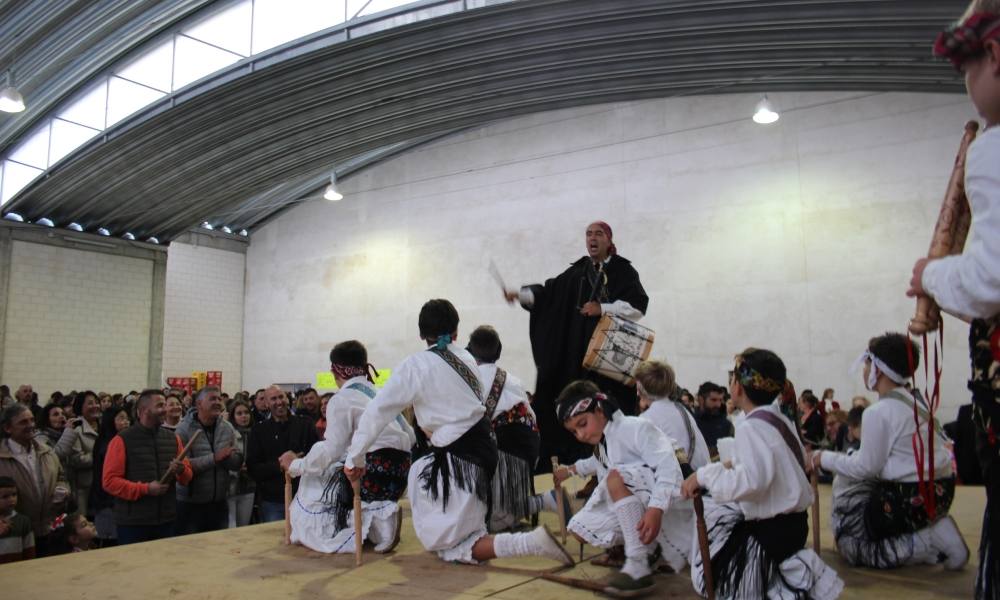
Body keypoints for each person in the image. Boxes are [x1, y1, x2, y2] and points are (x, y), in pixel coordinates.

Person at [344, 299, 573, 566]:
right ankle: (527, 515)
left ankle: (531, 542)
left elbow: (378, 412)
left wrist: (355, 458)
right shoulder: (467, 359)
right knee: (421, 475)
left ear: (420, 334)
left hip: (461, 457)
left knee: (457, 546)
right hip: (483, 448)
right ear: (456, 332)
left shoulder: (416, 365)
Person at [911, 7, 1000, 595]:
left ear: (994, 57)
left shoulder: (993, 146)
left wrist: (932, 275)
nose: (966, 87)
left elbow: (992, 278)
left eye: (967, 70)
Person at [680, 348, 844, 600]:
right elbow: (762, 461)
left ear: (738, 388)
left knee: (709, 576)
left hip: (771, 533)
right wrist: (719, 468)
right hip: (794, 526)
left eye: (732, 379)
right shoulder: (778, 419)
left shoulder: (750, 426)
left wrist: (703, 477)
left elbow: (751, 481)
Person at [811, 333, 967, 570]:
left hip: (908, 498)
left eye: (866, 364)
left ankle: (928, 540)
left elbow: (865, 468)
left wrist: (823, 457)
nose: (864, 370)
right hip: (940, 492)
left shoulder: (878, 411)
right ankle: (933, 534)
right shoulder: (916, 401)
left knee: (851, 545)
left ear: (878, 369)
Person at [505, 221, 649, 467]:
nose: (592, 238)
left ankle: (617, 467)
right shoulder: (577, 272)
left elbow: (637, 307)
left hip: (609, 362)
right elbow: (549, 294)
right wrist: (522, 295)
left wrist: (602, 308)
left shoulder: (624, 271)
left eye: (598, 234)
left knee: (610, 416)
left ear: (609, 240)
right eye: (588, 234)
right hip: (576, 360)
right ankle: (583, 468)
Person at [280, 340, 414, 553]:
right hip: (401, 472)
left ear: (335, 371)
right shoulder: (380, 392)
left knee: (314, 478)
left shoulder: (341, 399)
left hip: (370, 473)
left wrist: (296, 465)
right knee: (337, 466)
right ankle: (380, 523)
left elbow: (332, 450)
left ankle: (379, 523)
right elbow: (410, 435)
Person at [553, 379, 684, 596]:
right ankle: (648, 548)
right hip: (646, 501)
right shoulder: (605, 442)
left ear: (600, 410)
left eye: (583, 424)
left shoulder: (635, 427)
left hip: (670, 502)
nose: (581, 435)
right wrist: (569, 470)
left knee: (615, 478)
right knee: (578, 529)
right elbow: (596, 462)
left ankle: (638, 563)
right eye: (574, 431)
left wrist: (656, 508)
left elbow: (668, 467)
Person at [465, 325, 543, 532]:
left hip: (499, 450)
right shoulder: (513, 380)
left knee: (484, 523)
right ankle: (540, 501)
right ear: (498, 351)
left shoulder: (470, 380)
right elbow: (532, 416)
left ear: (470, 351)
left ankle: (532, 504)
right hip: (530, 450)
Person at [102, 389, 192, 545]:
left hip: (166, 520)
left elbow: (187, 478)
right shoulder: (122, 440)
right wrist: (145, 489)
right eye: (160, 405)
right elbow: (109, 482)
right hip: (133, 523)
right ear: (143, 410)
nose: (165, 409)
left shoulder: (173, 439)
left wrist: (181, 470)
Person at [0, 404, 69, 556]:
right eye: (23, 422)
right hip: (14, 533)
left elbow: (61, 476)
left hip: (49, 529)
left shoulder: (47, 451)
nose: (30, 425)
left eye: (32, 420)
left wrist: (62, 489)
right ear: (7, 428)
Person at [175, 386, 242, 535]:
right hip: (191, 505)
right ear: (199, 404)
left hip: (219, 503)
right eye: (212, 399)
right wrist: (214, 458)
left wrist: (233, 459)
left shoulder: (227, 427)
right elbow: (182, 466)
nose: (218, 402)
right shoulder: (183, 429)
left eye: (219, 398)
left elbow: (236, 462)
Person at [246, 386, 318, 522]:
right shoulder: (258, 431)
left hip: (304, 497)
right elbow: (253, 467)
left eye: (281, 397)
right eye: (273, 399)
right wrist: (280, 465)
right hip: (273, 500)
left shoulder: (305, 425)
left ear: (287, 398)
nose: (279, 402)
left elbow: (317, 456)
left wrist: (299, 462)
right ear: (266, 404)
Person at [54, 391, 101, 517]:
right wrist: (100, 457)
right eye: (90, 403)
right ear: (80, 406)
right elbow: (76, 459)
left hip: (101, 486)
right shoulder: (76, 428)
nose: (95, 406)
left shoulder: (103, 426)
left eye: (97, 402)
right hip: (83, 488)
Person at [89, 406, 130, 546]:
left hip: (116, 500)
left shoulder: (121, 440)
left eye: (127, 418)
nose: (126, 422)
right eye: (121, 418)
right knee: (111, 542)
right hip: (108, 501)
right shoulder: (107, 444)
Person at [225, 399, 255, 528]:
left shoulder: (255, 433)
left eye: (246, 412)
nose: (244, 416)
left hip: (248, 485)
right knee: (231, 526)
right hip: (230, 486)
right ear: (233, 416)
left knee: (244, 526)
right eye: (239, 413)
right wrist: (235, 467)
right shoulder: (227, 433)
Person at [0, 475, 36, 563]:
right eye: (5, 497)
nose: (11, 499)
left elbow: (29, 550)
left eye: (14, 495)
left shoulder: (24, 521)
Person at [694, 381, 733, 457]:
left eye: (720, 400)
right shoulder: (691, 423)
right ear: (701, 400)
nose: (718, 405)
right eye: (714, 400)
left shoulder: (726, 425)